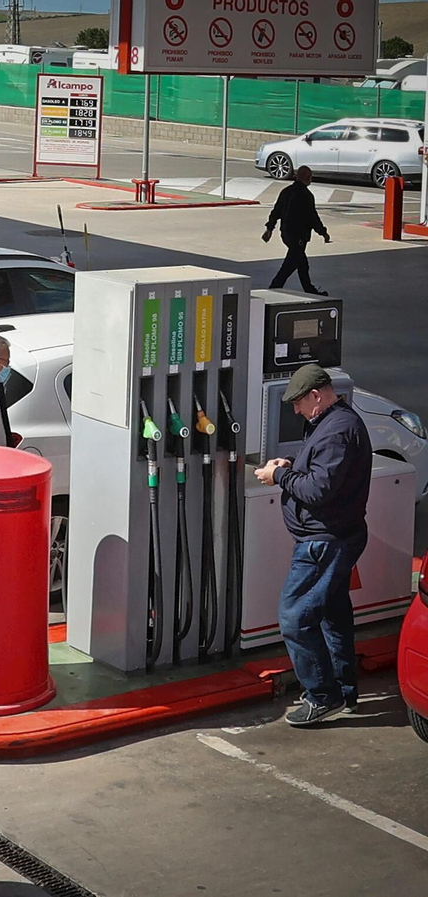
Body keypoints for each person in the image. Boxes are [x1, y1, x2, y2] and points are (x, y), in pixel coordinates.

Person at [253, 364, 371, 726]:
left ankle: (323, 695)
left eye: (298, 403)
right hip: (332, 538)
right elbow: (322, 474)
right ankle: (344, 690)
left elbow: (318, 490)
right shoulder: (334, 423)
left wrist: (279, 475)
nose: (295, 410)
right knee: (333, 614)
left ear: (317, 396)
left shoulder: (336, 432)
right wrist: (291, 465)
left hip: (322, 544)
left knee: (294, 617)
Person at [263, 165, 330, 295]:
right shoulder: (306, 195)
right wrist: (323, 232)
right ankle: (274, 288)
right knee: (292, 265)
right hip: (299, 236)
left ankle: (309, 290)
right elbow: (313, 217)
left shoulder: (286, 191)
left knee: (300, 264)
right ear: (307, 178)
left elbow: (276, 211)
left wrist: (269, 229)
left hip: (286, 234)